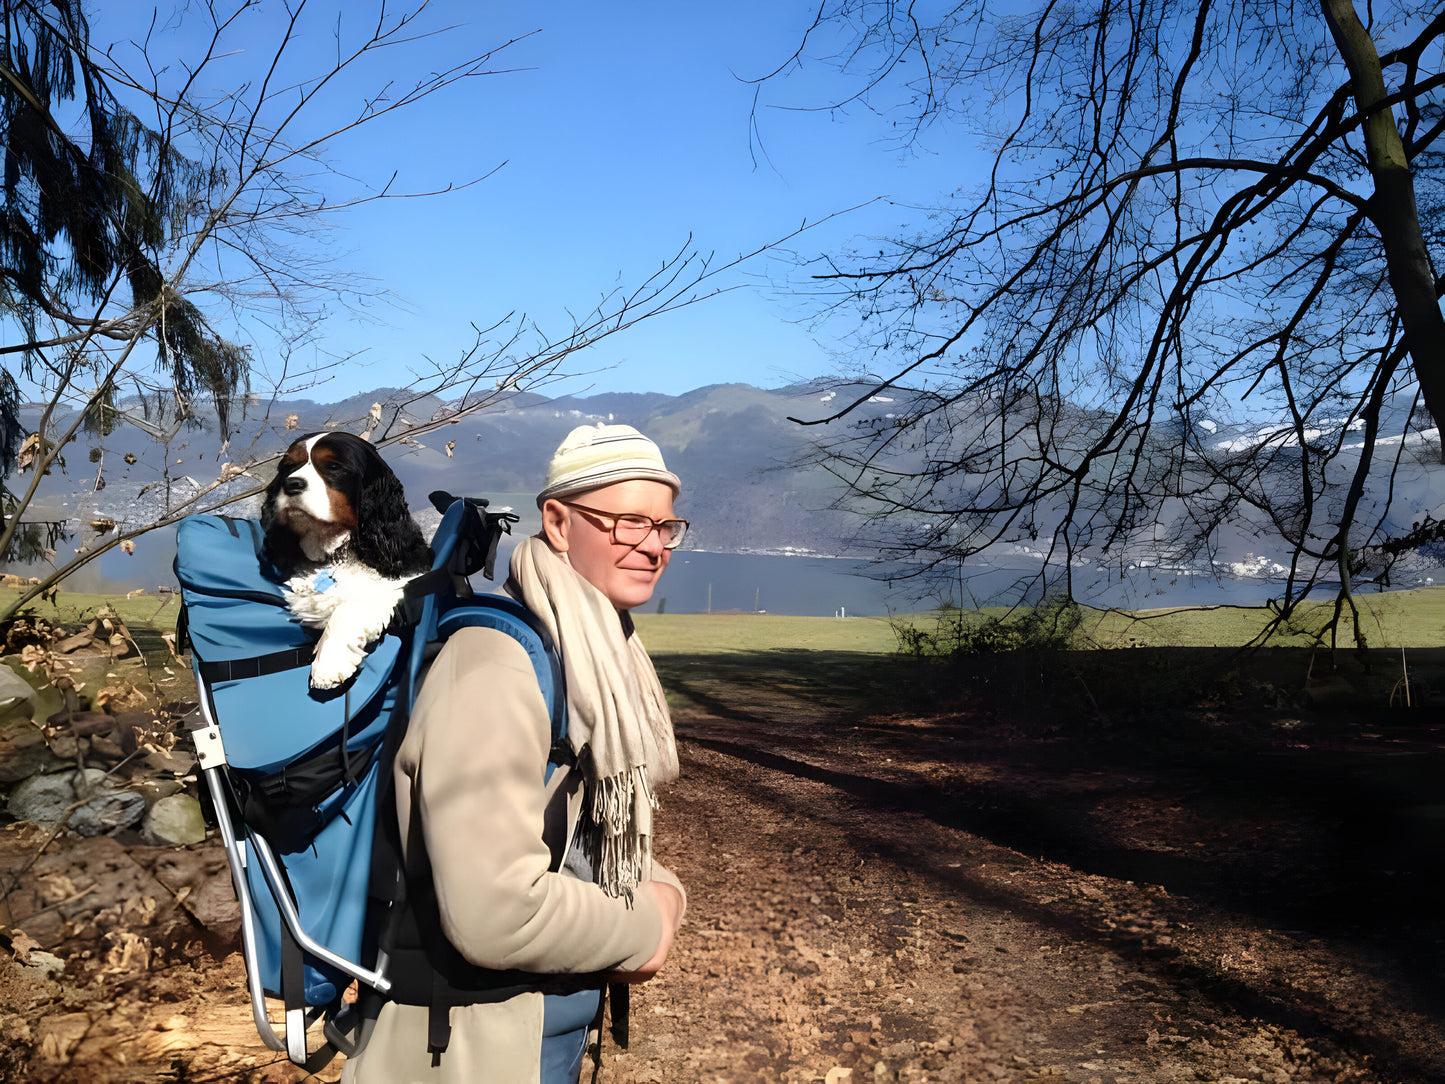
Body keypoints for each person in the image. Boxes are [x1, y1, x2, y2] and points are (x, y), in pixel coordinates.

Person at [342, 423, 689, 1083]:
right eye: (625, 522)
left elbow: (574, 839)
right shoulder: (495, 666)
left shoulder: (583, 652)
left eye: (665, 526)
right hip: (464, 1050)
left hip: (528, 1033)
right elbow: (496, 912)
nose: (651, 545)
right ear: (557, 522)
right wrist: (649, 920)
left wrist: (661, 884)